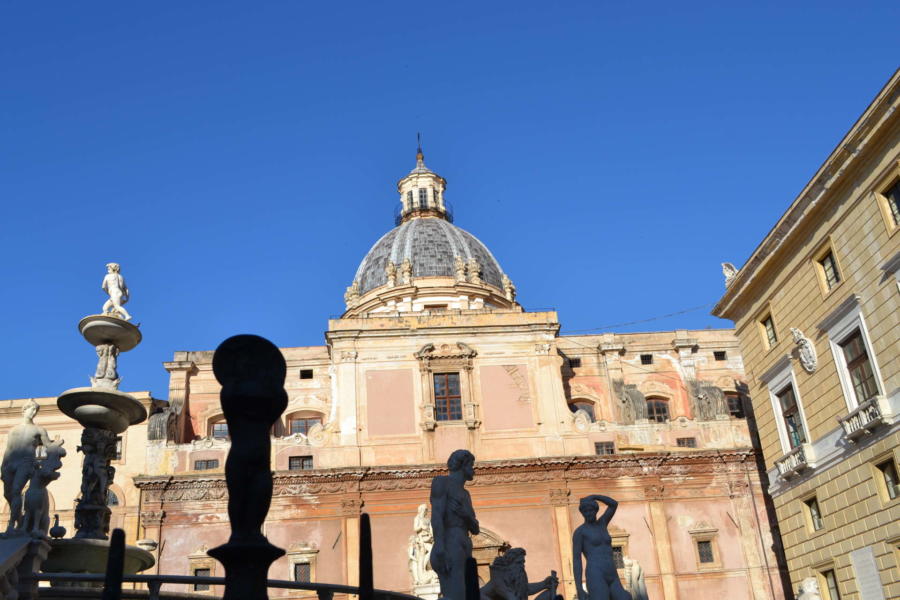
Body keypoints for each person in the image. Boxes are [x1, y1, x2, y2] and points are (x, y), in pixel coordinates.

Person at [430, 449, 479, 600]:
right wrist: (439, 546)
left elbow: (475, 528)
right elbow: (437, 515)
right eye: (471, 465)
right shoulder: (441, 482)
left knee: (466, 594)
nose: (473, 469)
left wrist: (465, 514)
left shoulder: (465, 494)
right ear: (463, 466)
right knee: (456, 595)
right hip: (450, 540)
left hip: (464, 541)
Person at [2, 400, 54, 535]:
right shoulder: (13, 430)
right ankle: (19, 521)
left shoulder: (39, 430)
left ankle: (12, 526)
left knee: (15, 491)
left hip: (26, 462)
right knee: (7, 494)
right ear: (24, 410)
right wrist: (3, 466)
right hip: (10, 461)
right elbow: (9, 448)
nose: (33, 412)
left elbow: (49, 446)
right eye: (31, 409)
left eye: (35, 410)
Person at [572, 495, 630, 600]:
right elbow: (577, 560)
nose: (588, 513)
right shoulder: (580, 532)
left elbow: (613, 504)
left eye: (591, 510)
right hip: (595, 573)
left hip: (612, 572)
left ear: (596, 510)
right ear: (582, 513)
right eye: (585, 511)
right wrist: (579, 588)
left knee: (625, 597)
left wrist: (595, 496)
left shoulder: (602, 523)